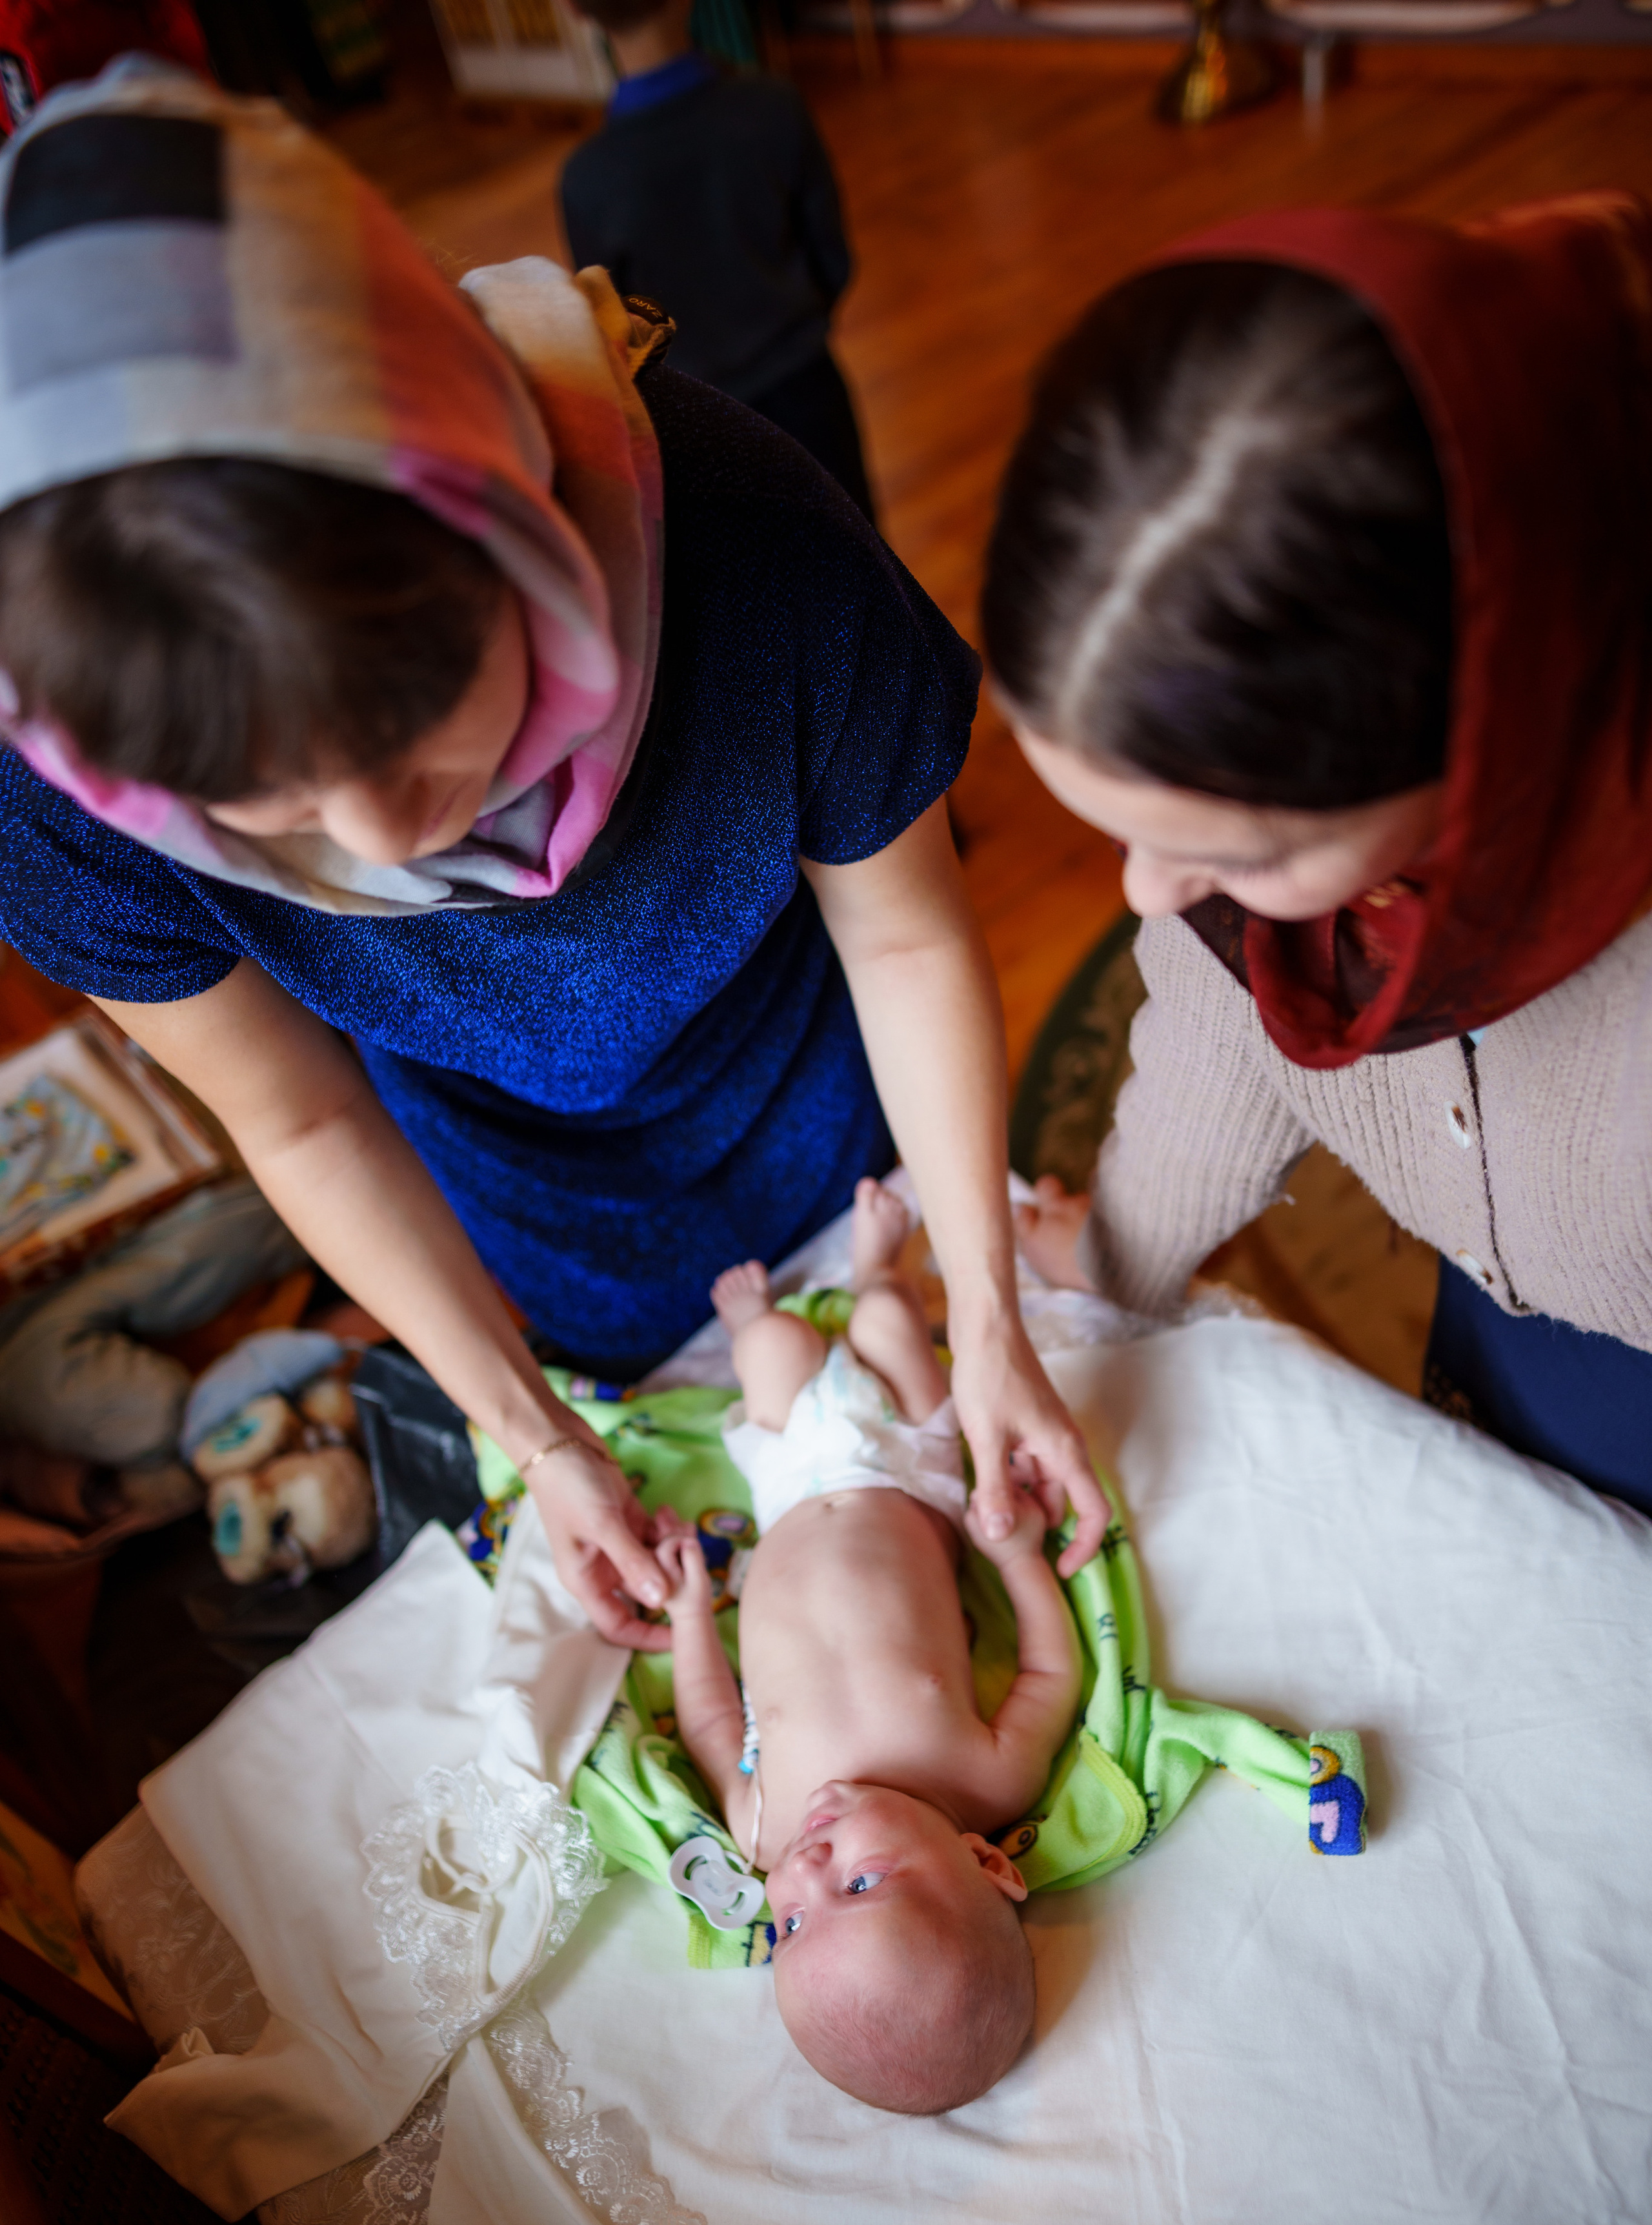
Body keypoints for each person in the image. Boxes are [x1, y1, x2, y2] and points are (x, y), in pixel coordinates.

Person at [0, 61, 1104, 1648]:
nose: (394, 838)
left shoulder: (748, 536)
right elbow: (298, 1115)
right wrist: (537, 1436)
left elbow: (910, 940)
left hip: (821, 1070)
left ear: (512, 518)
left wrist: (988, 1321)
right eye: (272, 813)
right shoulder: (56, 797)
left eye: (424, 727)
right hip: (507, 1185)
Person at [985, 197, 1652, 1518]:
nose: (1143, 894)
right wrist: (1098, 1287)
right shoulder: (1274, 870)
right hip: (1505, 1348)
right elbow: (1222, 1046)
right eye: (1120, 829)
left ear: (1486, 744)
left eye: (1225, 852)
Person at [655, 1179, 1080, 2113]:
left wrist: (691, 1616)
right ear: (986, 1863)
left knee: (768, 1349)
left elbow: (709, 1719)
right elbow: (1054, 1666)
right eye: (862, 1881)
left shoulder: (763, 1832)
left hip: (790, 1487)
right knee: (892, 1321)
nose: (806, 1873)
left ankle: (772, 1314)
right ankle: (875, 1265)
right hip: (914, 1477)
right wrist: (1015, 1558)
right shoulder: (987, 1780)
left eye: (796, 1923)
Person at [559, 0, 875, 521]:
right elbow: (832, 260)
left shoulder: (587, 181)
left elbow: (619, 331)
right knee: (869, 578)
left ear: (575, 10)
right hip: (809, 396)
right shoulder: (774, 110)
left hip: (698, 432)